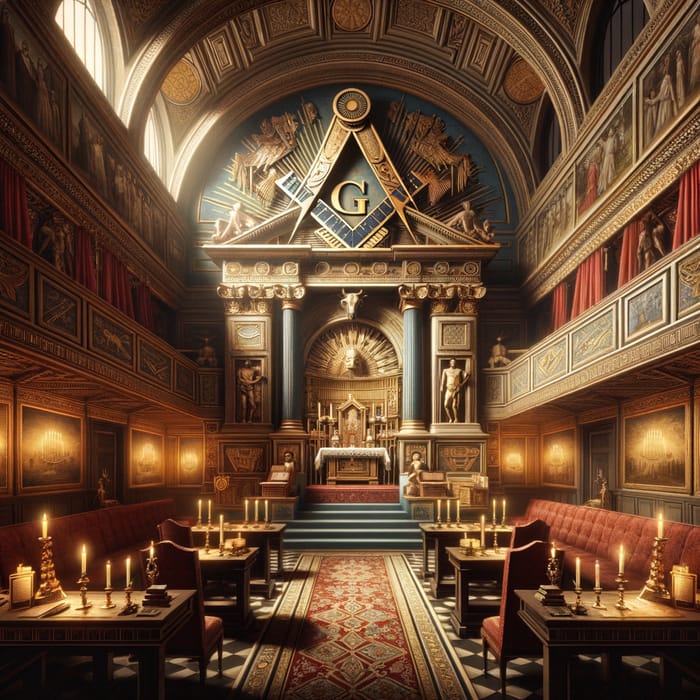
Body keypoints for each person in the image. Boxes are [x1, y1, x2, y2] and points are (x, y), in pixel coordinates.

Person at [441, 358, 468, 423]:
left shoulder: (459, 370)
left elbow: (467, 375)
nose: (453, 363)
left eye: (454, 362)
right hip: (448, 389)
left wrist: (461, 384)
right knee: (446, 405)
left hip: (456, 389)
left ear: (456, 363)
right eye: (452, 362)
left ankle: (456, 419)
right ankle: (450, 418)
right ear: (450, 363)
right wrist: (441, 386)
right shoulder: (445, 370)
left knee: (454, 406)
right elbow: (443, 379)